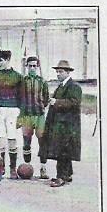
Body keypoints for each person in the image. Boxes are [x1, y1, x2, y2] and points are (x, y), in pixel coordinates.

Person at [40, 60, 82, 188]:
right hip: (60, 123)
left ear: (68, 72)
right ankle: (67, 174)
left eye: (61, 72)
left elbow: (74, 102)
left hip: (68, 124)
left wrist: (57, 102)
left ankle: (61, 177)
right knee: (64, 149)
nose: (58, 74)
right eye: (57, 71)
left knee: (62, 150)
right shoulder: (61, 86)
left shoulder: (74, 86)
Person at [0, 48, 23, 178]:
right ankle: (1, 167)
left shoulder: (18, 76)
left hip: (13, 110)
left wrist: (20, 113)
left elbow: (22, 97)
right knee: (1, 140)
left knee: (12, 139)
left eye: (1, 61)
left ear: (8, 60)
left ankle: (13, 169)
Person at [18, 55, 51, 180]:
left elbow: (46, 98)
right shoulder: (22, 81)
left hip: (39, 116)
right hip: (26, 115)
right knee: (26, 142)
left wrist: (41, 106)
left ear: (37, 67)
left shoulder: (42, 81)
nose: (32, 68)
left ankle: (43, 168)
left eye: (34, 66)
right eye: (30, 66)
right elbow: (18, 97)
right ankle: (28, 167)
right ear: (27, 67)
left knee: (42, 142)